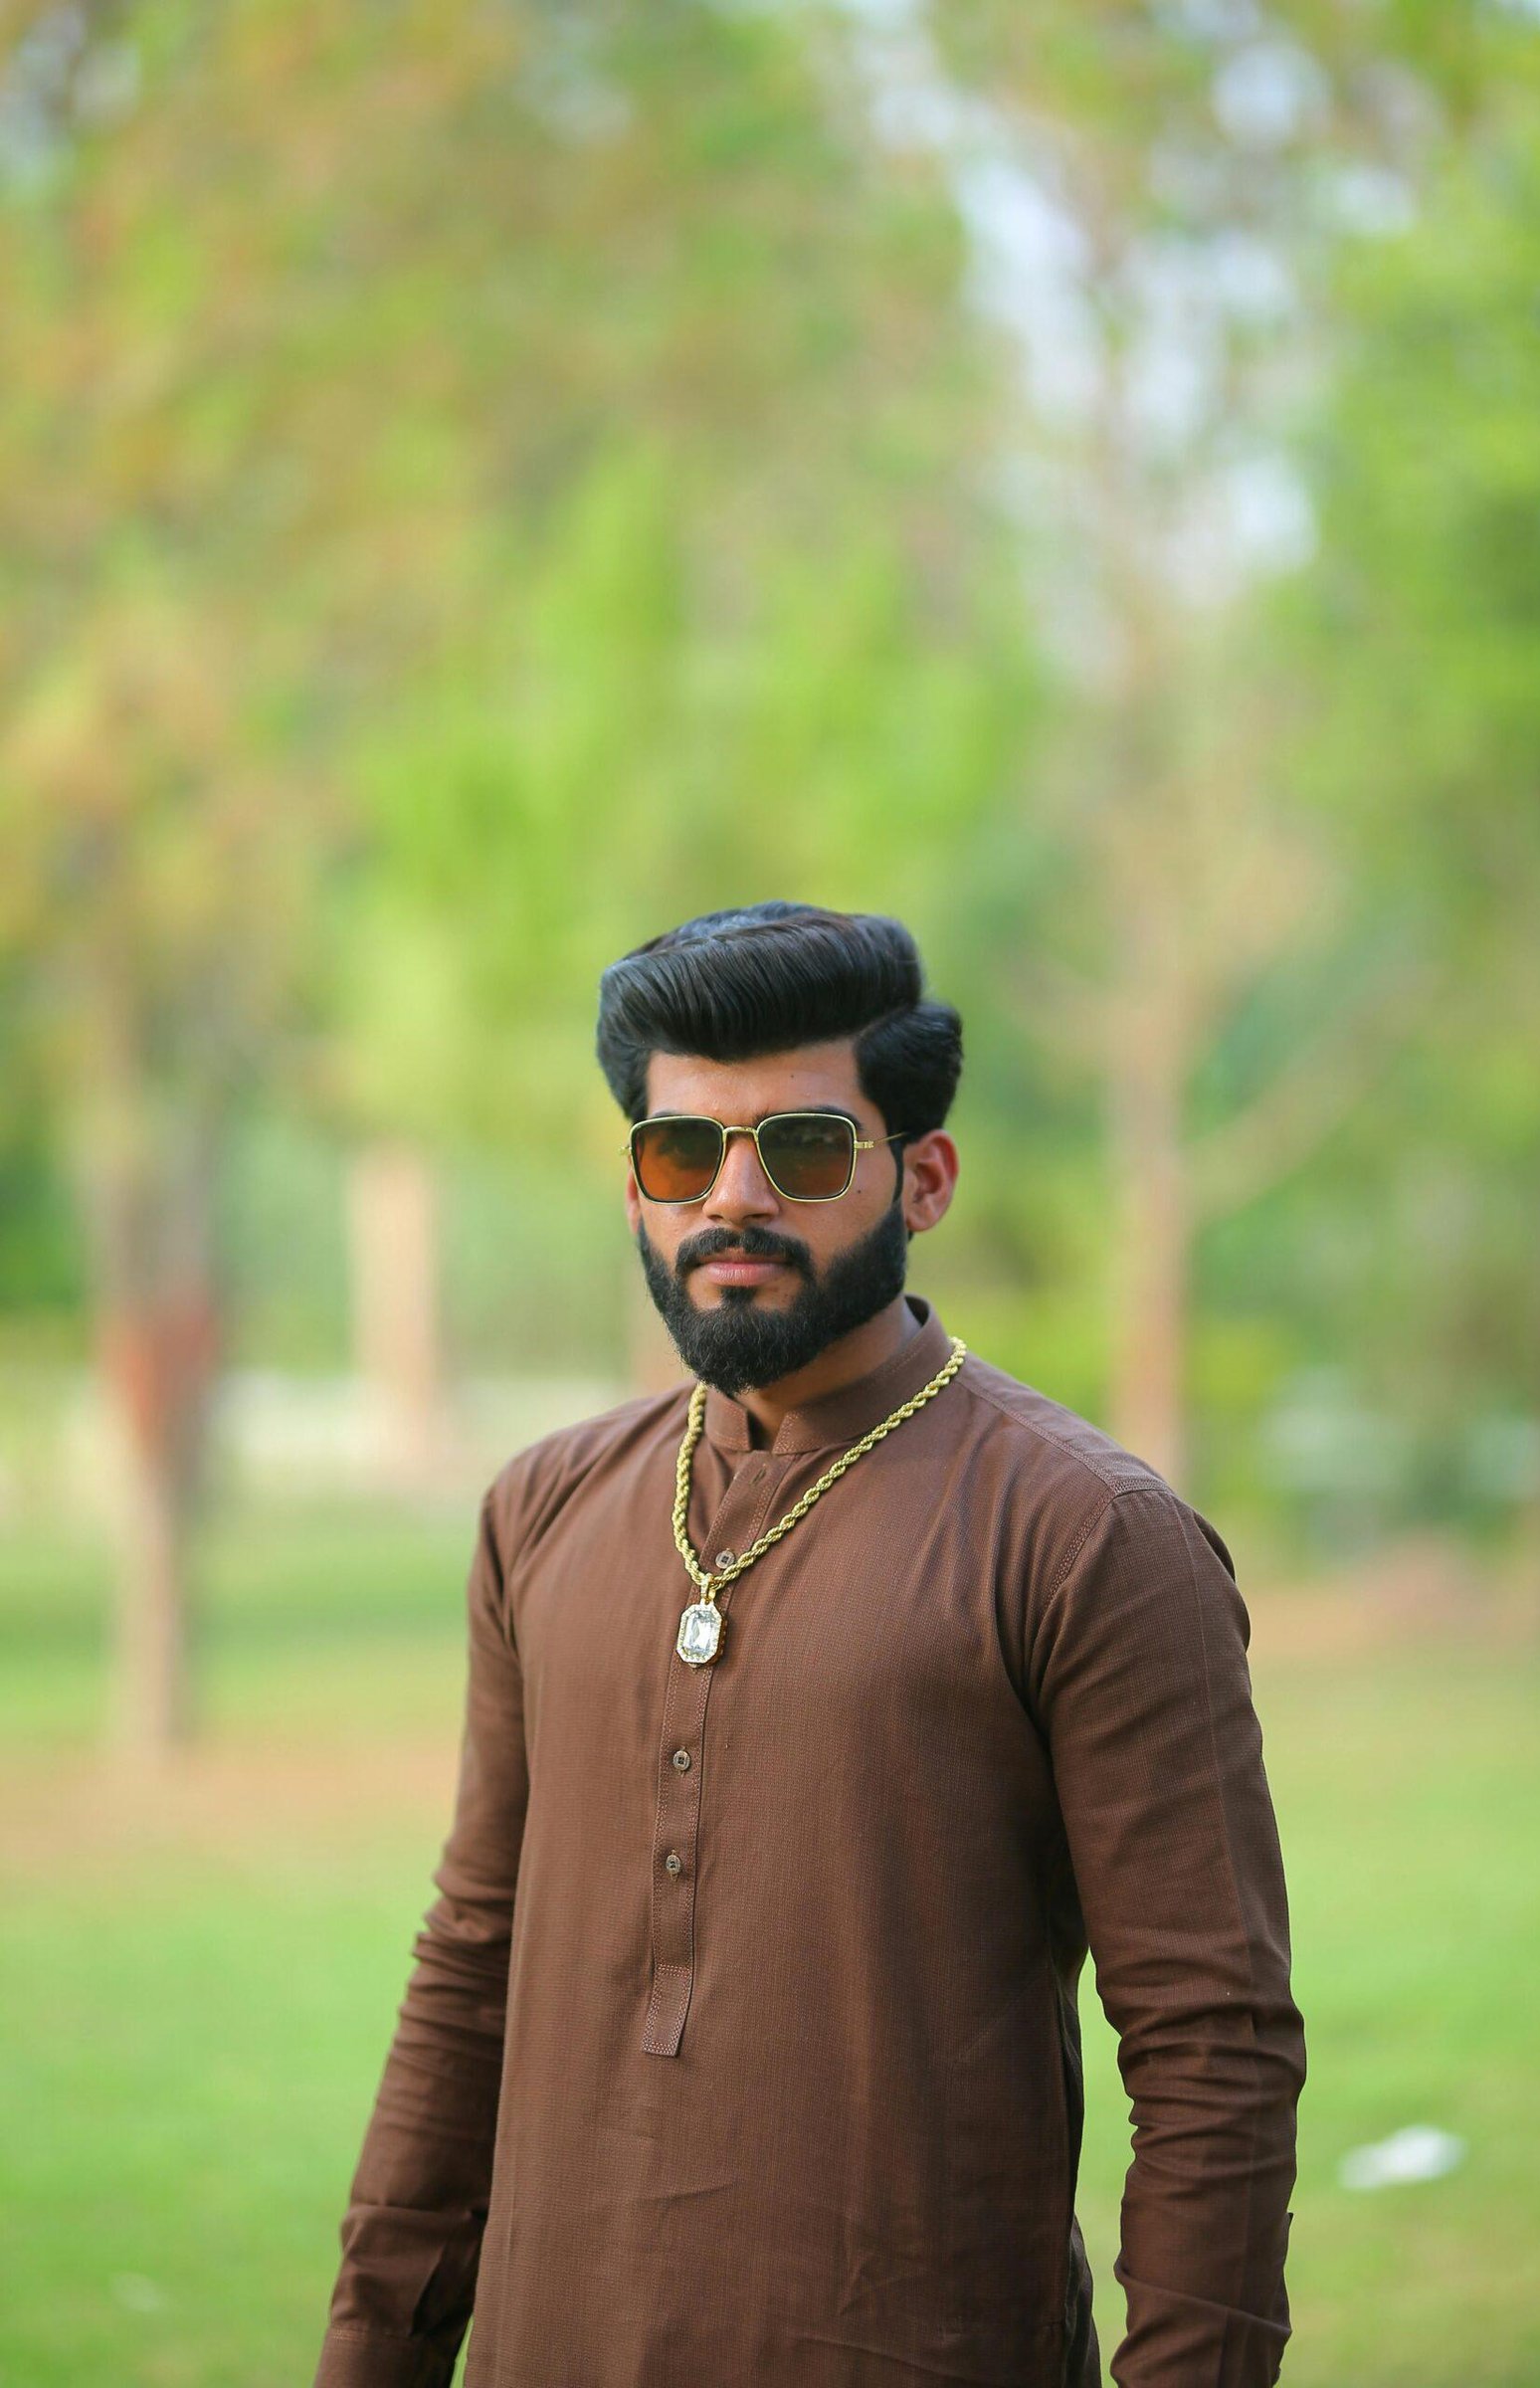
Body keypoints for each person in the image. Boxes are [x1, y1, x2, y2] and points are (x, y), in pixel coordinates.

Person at [311, 899, 1306, 2388]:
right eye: (682, 1152)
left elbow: (1214, 2049)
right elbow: (472, 1966)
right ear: (636, 1185)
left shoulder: (1088, 1536)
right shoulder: (543, 1509)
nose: (734, 1198)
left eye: (806, 1149)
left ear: (926, 1177)